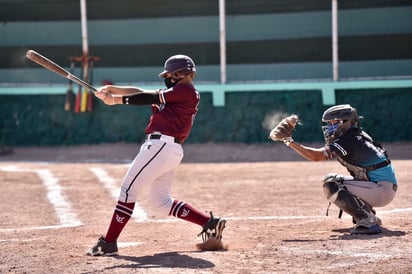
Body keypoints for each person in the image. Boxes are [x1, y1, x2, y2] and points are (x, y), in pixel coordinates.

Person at [86, 54, 226, 256]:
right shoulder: (176, 92)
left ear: (179, 74)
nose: (167, 77)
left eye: (169, 74)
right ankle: (209, 223)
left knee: (127, 191)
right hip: (168, 150)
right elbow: (142, 92)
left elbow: (149, 97)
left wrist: (116, 100)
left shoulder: (185, 90)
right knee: (162, 202)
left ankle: (108, 242)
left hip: (161, 146)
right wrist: (113, 90)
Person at [276, 104, 398, 235]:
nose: (330, 127)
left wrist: (289, 141)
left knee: (332, 184)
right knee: (334, 180)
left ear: (346, 123)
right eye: (329, 124)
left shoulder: (348, 140)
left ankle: (367, 219)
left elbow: (317, 156)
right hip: (381, 187)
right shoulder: (355, 135)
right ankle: (367, 214)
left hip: (381, 190)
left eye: (334, 123)